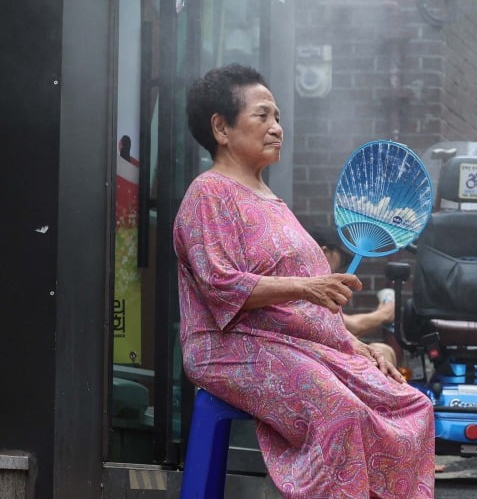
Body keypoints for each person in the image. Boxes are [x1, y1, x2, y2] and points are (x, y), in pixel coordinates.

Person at [173, 63, 435, 498]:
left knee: (410, 403)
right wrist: (306, 287)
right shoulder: (209, 193)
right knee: (339, 407)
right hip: (230, 345)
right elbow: (219, 285)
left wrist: (362, 348)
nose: (277, 128)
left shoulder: (272, 201)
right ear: (221, 127)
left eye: (277, 117)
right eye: (263, 116)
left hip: (296, 344)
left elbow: (311, 312)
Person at [307, 223, 400, 367]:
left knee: (384, 351)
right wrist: (384, 313)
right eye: (342, 259)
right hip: (311, 358)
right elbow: (350, 326)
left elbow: (341, 324)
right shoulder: (307, 285)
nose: (341, 266)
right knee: (382, 352)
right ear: (324, 252)